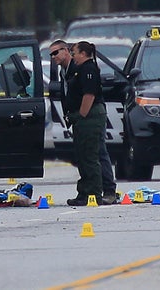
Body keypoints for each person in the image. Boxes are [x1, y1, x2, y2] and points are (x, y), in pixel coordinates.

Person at [49, 40, 118, 204]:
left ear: (66, 51)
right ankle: (87, 191)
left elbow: (89, 94)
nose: (53, 57)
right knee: (84, 154)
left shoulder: (83, 68)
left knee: (96, 153)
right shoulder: (64, 71)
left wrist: (81, 115)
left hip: (89, 116)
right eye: (51, 54)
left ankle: (106, 190)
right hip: (78, 116)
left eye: (55, 52)